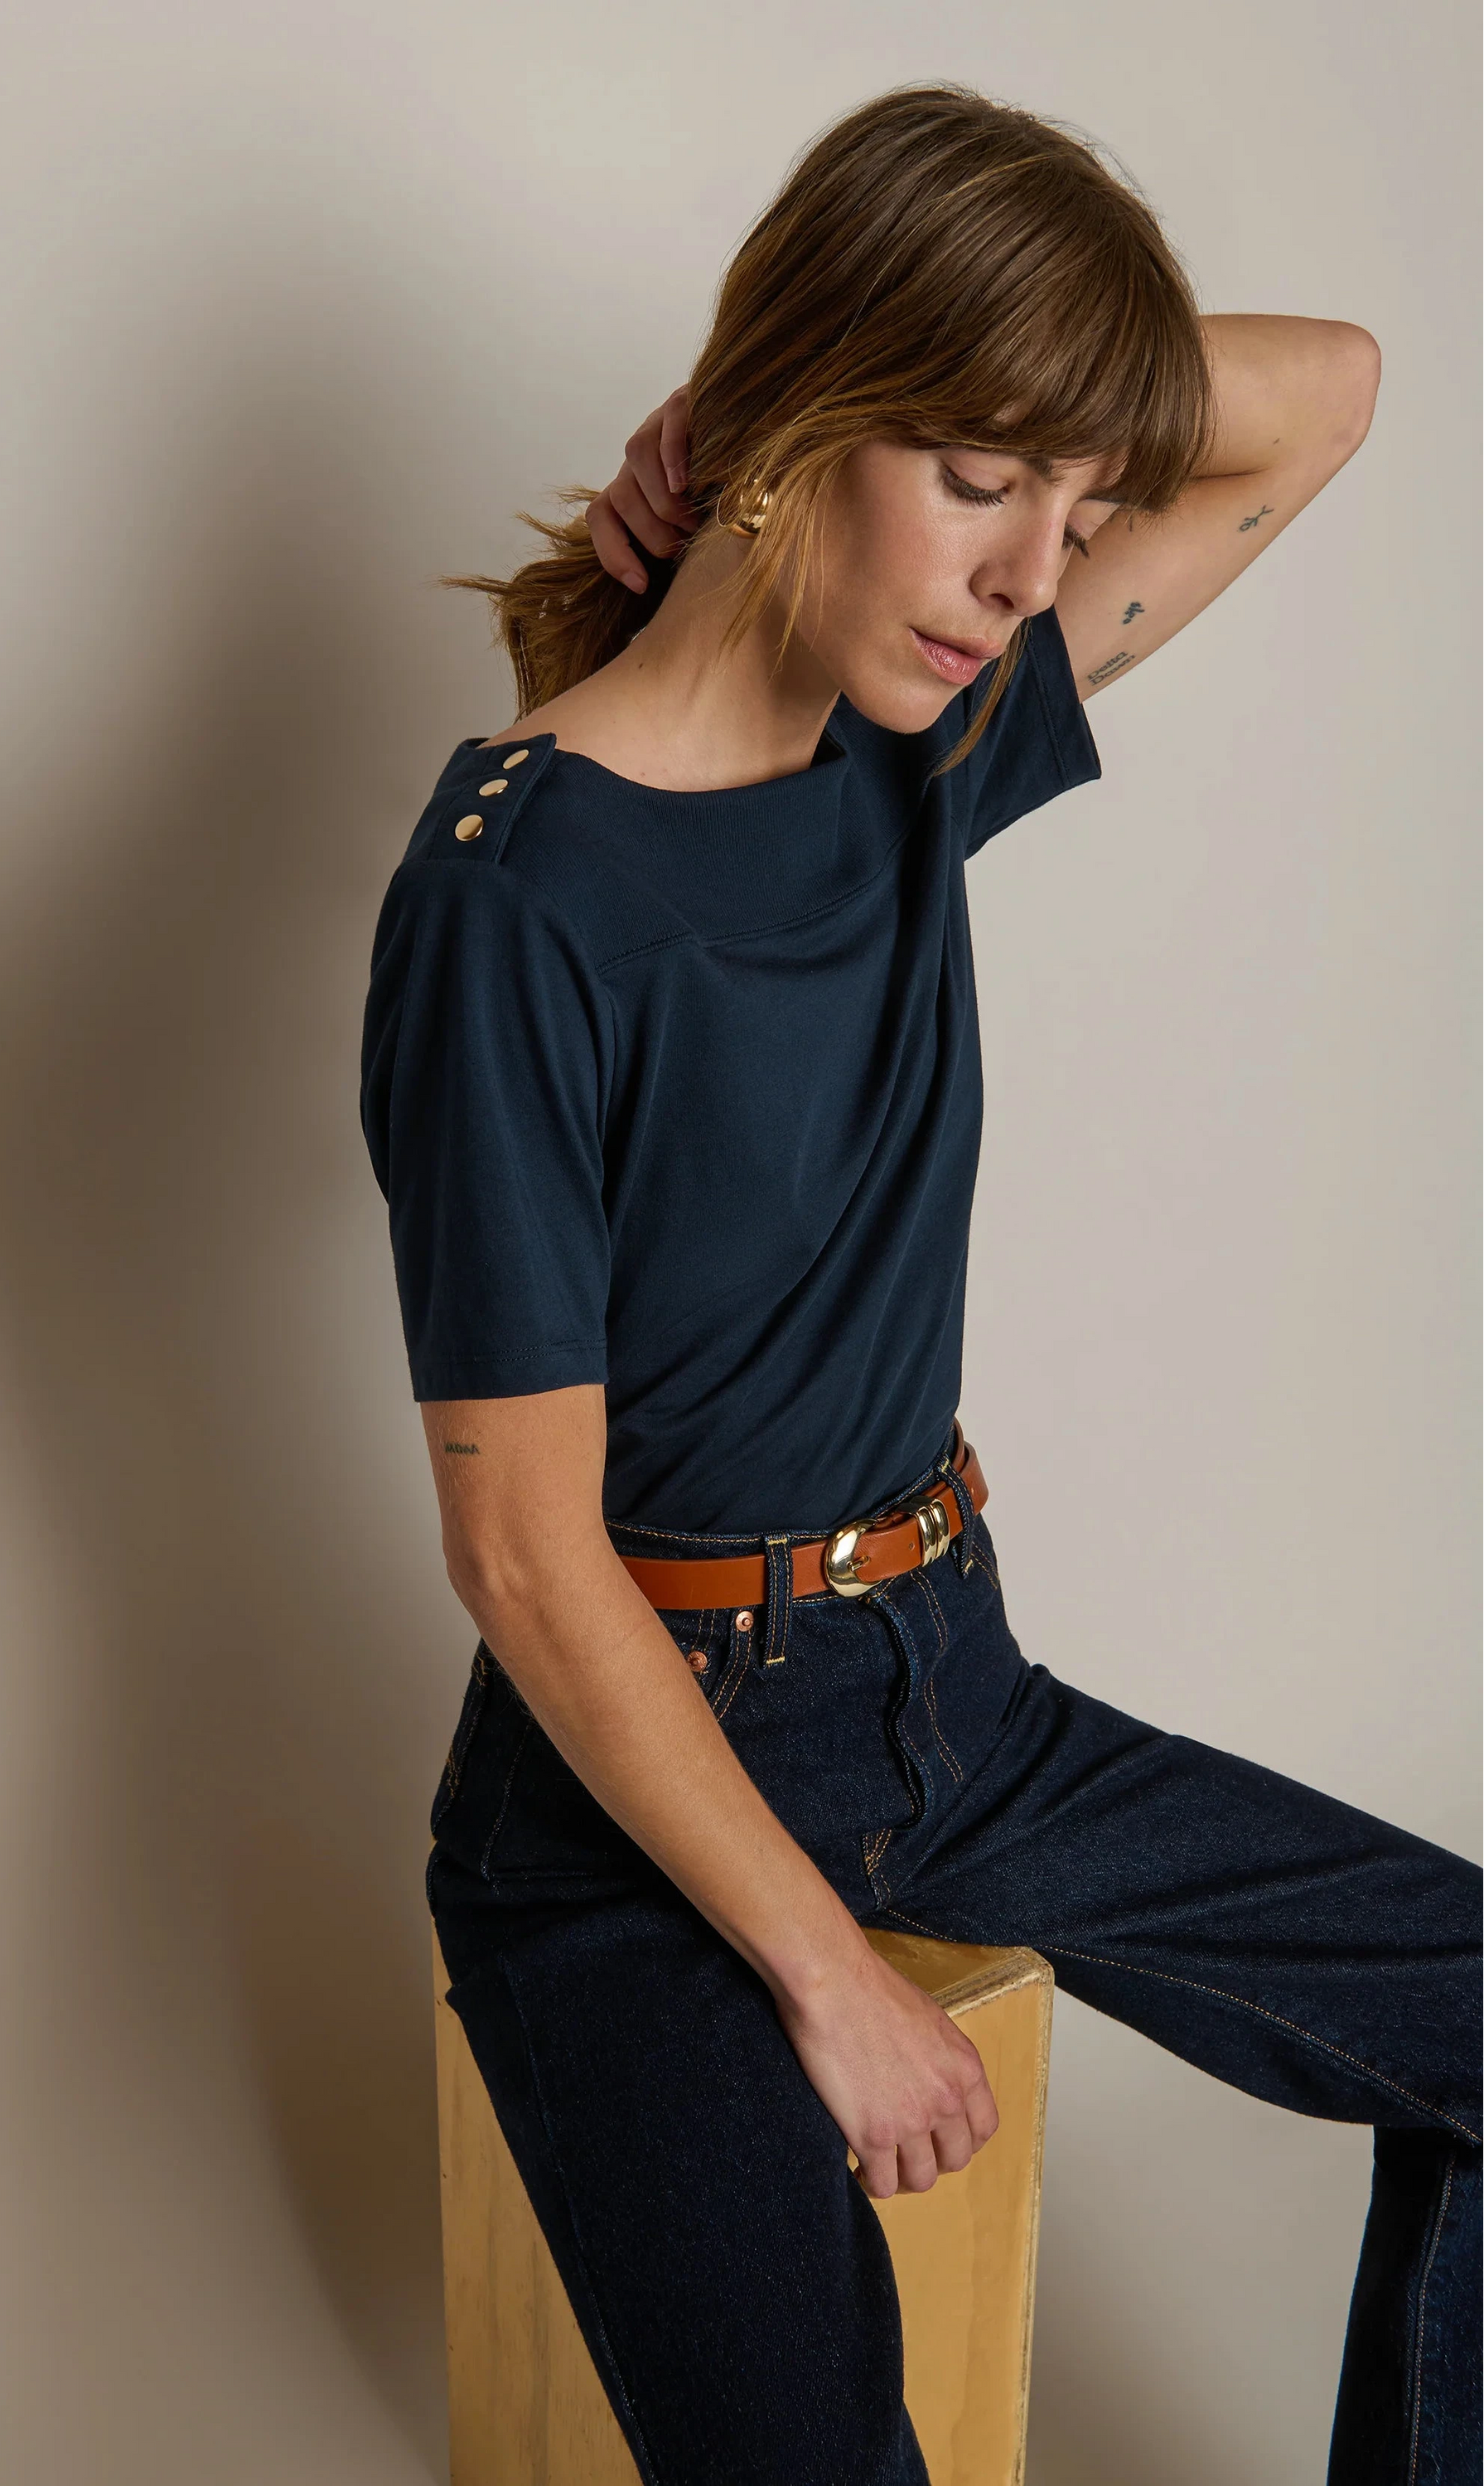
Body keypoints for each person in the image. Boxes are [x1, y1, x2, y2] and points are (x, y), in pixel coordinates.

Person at [360, 85, 1482, 2486]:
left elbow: (1337, 385)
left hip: (948, 1699)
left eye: (1070, 513)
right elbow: (521, 1553)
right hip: (630, 1796)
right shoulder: (510, 905)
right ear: (813, 417)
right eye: (978, 477)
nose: (1025, 571)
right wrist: (826, 1987)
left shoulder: (923, 750)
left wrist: (1009, 382)